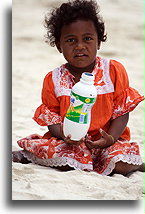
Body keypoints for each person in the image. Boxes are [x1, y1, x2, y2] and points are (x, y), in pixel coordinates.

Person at [12, 0, 144, 176]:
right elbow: (52, 118)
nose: (80, 46)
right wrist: (64, 135)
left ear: (98, 42)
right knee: (66, 160)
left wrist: (110, 138)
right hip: (71, 141)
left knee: (121, 163)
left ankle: (137, 165)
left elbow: (122, 111)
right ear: (59, 46)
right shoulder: (54, 79)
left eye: (88, 39)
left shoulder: (112, 71)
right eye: (71, 40)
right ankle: (28, 155)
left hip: (107, 140)